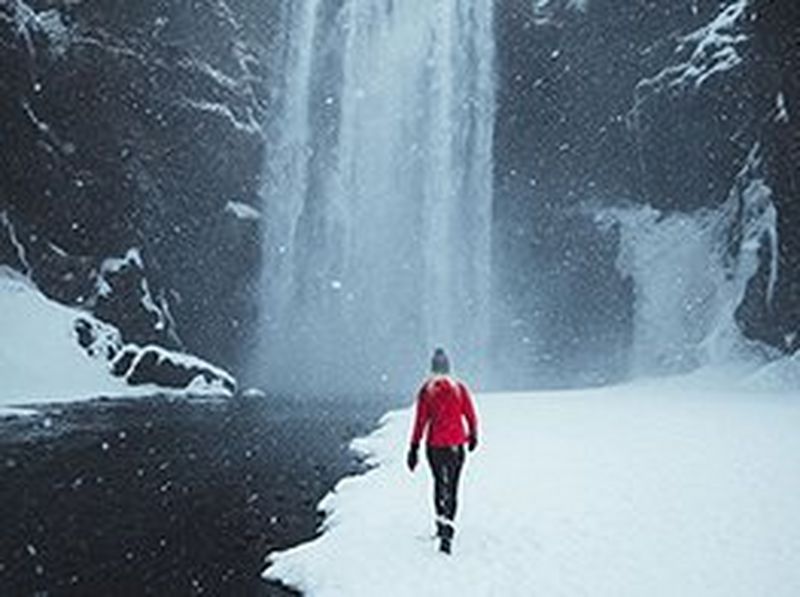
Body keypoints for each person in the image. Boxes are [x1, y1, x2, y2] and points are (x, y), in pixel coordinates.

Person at [406, 347, 479, 554]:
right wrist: (473, 435)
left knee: (439, 485)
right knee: (453, 488)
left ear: (432, 368)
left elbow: (420, 421)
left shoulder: (427, 390)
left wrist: (414, 447)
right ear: (449, 368)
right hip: (456, 445)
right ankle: (448, 532)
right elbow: (471, 414)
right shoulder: (459, 388)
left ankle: (440, 527)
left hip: (435, 446)